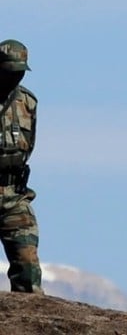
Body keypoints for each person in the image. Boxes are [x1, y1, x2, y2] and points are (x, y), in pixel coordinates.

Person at [0, 39, 42, 293]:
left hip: (13, 196)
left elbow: (29, 145)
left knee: (28, 269)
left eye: (19, 72)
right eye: (9, 71)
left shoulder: (27, 103)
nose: (15, 77)